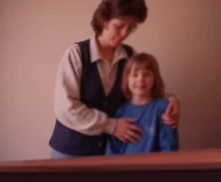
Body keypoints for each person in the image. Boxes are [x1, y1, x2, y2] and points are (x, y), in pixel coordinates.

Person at [50, 0, 178, 159]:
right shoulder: (76, 54)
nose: (124, 34)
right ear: (104, 20)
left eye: (130, 28)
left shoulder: (130, 55)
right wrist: (112, 125)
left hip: (110, 154)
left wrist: (171, 101)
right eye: (119, 26)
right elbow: (65, 108)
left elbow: (142, 92)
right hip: (70, 152)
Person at [105, 53, 178, 155]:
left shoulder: (163, 108)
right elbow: (112, 151)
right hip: (125, 165)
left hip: (156, 165)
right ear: (127, 80)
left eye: (146, 74)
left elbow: (169, 147)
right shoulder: (120, 112)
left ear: (155, 78)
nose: (140, 79)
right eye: (135, 75)